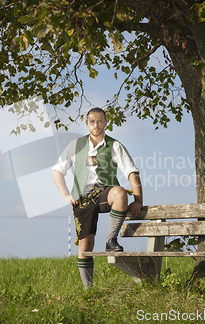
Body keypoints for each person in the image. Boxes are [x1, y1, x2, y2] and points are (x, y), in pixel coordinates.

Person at [52, 107, 143, 289]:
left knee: (120, 192)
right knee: (86, 245)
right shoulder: (75, 145)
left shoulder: (114, 145)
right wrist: (67, 196)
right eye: (92, 121)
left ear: (106, 123)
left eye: (100, 121)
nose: (96, 125)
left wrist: (139, 200)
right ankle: (89, 290)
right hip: (81, 198)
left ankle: (111, 240)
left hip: (104, 192)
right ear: (87, 124)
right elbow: (57, 171)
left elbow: (132, 172)